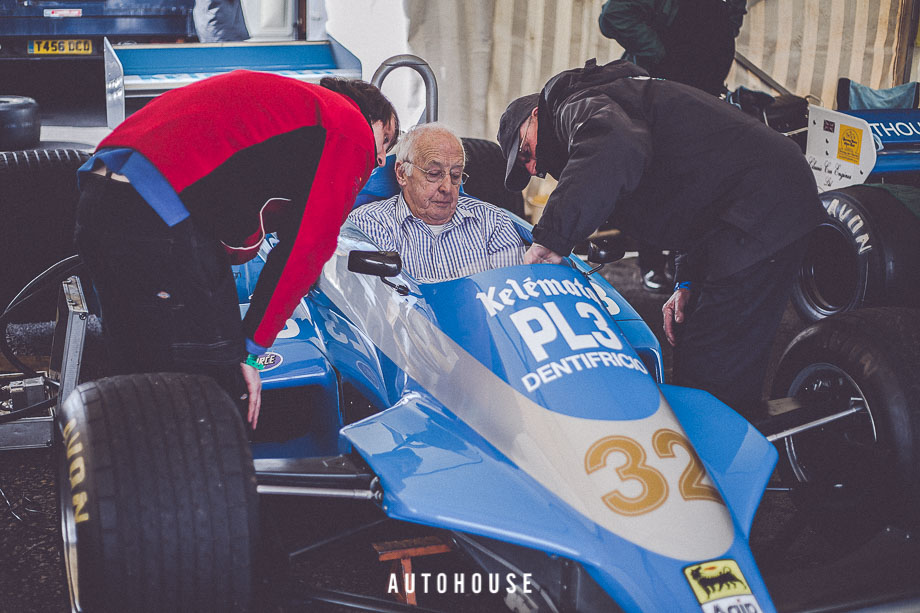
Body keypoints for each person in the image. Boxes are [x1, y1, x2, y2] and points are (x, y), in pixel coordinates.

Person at [497, 59, 823, 419]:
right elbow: (692, 198)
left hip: (763, 204)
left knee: (712, 361)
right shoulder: (613, 100)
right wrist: (687, 281)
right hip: (755, 204)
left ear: (536, 115)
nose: (535, 168)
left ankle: (717, 449)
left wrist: (551, 239)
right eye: (528, 169)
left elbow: (615, 143)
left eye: (526, 152)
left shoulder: (572, 106)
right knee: (700, 338)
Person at [74, 71, 398, 429]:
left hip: (97, 197)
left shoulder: (293, 108)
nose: (381, 159)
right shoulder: (349, 126)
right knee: (221, 384)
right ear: (370, 116)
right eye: (386, 139)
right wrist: (252, 350)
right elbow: (308, 248)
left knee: (137, 375)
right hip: (153, 211)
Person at [598, 0, 747, 293]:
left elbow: (734, 14)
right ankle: (651, 261)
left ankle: (680, 265)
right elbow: (612, 15)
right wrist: (659, 52)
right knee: (656, 175)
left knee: (694, 176)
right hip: (660, 87)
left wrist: (719, 44)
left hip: (702, 88)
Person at [349, 122, 524, 282]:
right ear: (402, 173)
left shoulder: (493, 222)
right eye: (433, 174)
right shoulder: (371, 223)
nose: (447, 187)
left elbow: (513, 293)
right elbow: (386, 298)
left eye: (456, 175)